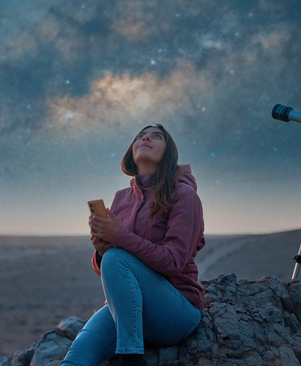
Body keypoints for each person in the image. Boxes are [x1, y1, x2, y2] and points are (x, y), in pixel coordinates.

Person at [61, 124, 206, 366]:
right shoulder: (121, 198)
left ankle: (131, 357)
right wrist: (101, 248)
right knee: (77, 356)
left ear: (168, 153)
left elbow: (173, 261)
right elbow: (108, 269)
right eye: (141, 136)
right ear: (132, 149)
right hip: (127, 309)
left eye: (156, 137)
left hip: (176, 310)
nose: (146, 138)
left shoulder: (184, 195)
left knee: (116, 257)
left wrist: (119, 237)